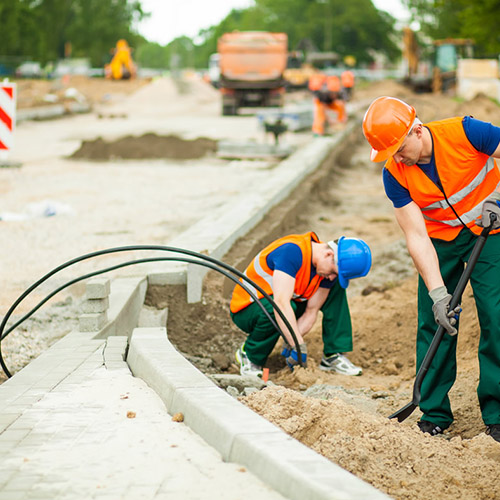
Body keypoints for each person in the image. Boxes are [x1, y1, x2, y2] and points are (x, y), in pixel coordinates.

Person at [362, 96, 500, 443]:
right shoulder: (394, 174)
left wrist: (498, 198)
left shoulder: (468, 132)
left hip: (491, 228)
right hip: (441, 240)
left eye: (398, 148)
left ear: (417, 131)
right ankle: (435, 412)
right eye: (388, 152)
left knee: (496, 315)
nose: (396, 157)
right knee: (434, 320)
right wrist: (439, 294)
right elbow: (415, 235)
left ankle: (497, 413)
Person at [229, 231, 371, 378]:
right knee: (274, 308)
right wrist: (298, 344)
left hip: (285, 305)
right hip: (249, 308)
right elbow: (281, 303)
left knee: (336, 288)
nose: (332, 277)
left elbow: (311, 311)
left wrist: (292, 341)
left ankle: (333, 355)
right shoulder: (291, 252)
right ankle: (250, 356)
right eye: (334, 272)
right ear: (329, 255)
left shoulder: (326, 268)